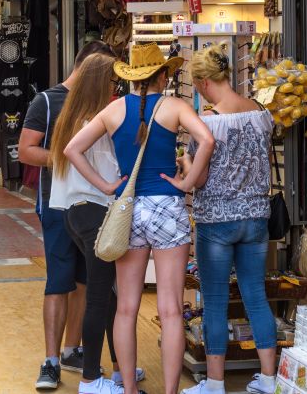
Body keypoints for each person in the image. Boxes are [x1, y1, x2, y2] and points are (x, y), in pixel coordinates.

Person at [64, 43, 215, 394]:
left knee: (126, 308)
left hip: (128, 209)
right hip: (168, 208)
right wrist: (187, 183)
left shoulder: (114, 110)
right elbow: (206, 139)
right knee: (172, 310)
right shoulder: (174, 106)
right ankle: (171, 391)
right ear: (162, 75)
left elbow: (73, 149)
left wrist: (105, 185)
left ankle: (129, 389)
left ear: (133, 77)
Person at [179, 46, 278, 394]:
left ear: (204, 83)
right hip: (255, 218)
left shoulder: (206, 123)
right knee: (255, 297)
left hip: (216, 222)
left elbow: (201, 179)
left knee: (216, 302)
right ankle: (268, 379)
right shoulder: (262, 114)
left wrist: (187, 166)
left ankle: (215, 383)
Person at [18, 40, 116, 390]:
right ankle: (51, 360)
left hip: (95, 206)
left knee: (86, 281)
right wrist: (70, 158)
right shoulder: (47, 100)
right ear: (89, 64)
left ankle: (73, 349)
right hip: (58, 204)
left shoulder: (105, 104)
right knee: (59, 280)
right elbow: (26, 151)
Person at [49, 53, 141, 394]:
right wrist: (107, 185)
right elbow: (103, 168)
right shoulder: (93, 121)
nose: (116, 89)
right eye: (114, 82)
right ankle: (90, 378)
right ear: (101, 83)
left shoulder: (72, 116)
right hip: (94, 211)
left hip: (76, 211)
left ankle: (120, 367)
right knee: (100, 298)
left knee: (107, 296)